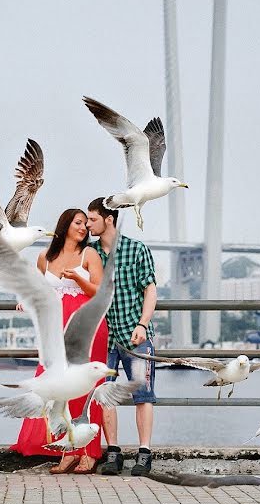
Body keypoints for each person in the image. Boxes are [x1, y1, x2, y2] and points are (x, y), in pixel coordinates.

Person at [10, 208, 108, 474]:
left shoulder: (90, 255)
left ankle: (89, 452)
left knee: (85, 388)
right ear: (65, 225)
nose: (84, 228)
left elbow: (99, 291)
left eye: (86, 224)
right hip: (55, 328)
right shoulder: (45, 257)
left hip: (86, 325)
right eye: (78, 223)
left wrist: (77, 278)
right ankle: (67, 450)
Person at [86, 198, 158, 476]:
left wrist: (142, 323)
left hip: (136, 334)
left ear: (109, 219)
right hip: (103, 336)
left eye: (92, 219)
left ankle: (144, 453)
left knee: (143, 395)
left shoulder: (136, 249)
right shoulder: (89, 253)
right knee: (105, 395)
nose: (88, 224)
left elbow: (150, 290)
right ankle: (113, 452)